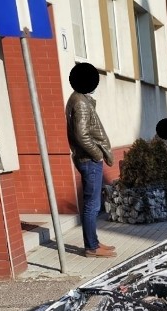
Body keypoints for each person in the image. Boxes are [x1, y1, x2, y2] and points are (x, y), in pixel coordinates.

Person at [66, 62, 116, 258]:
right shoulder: (80, 102)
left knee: (93, 204)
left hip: (88, 158)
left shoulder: (81, 99)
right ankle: (92, 248)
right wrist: (97, 154)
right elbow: (82, 134)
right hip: (89, 159)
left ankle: (93, 242)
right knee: (92, 205)